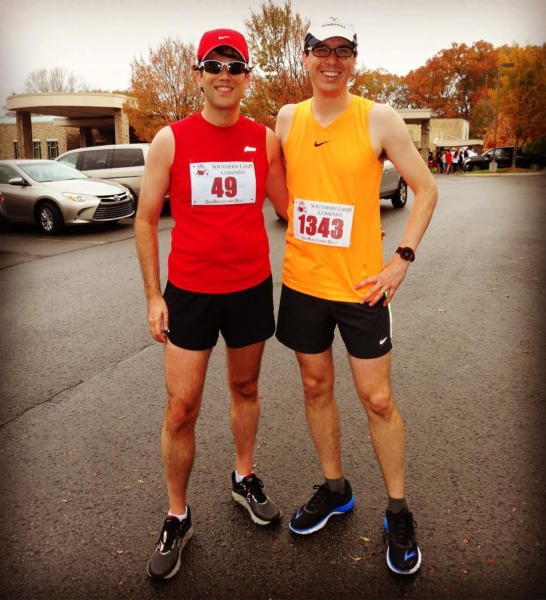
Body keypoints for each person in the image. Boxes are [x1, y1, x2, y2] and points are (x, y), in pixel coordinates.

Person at [275, 17, 437, 576]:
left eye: (343, 51)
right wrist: (287, 215)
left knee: (377, 400)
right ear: (306, 56)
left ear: (354, 61)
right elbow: (278, 177)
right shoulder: (287, 117)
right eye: (322, 49)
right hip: (302, 283)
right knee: (316, 386)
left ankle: (397, 510)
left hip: (363, 288)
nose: (332, 60)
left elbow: (426, 189)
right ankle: (336, 488)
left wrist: (402, 260)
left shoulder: (380, 118)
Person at [135, 28, 288, 580]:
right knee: (182, 408)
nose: (225, 74)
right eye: (214, 64)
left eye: (235, 65)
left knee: (245, 387)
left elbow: (290, 206)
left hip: (250, 288)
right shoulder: (170, 140)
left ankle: (244, 478)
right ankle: (178, 514)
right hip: (191, 295)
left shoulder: (264, 139)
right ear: (198, 75)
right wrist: (154, 295)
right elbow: (146, 219)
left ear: (247, 77)